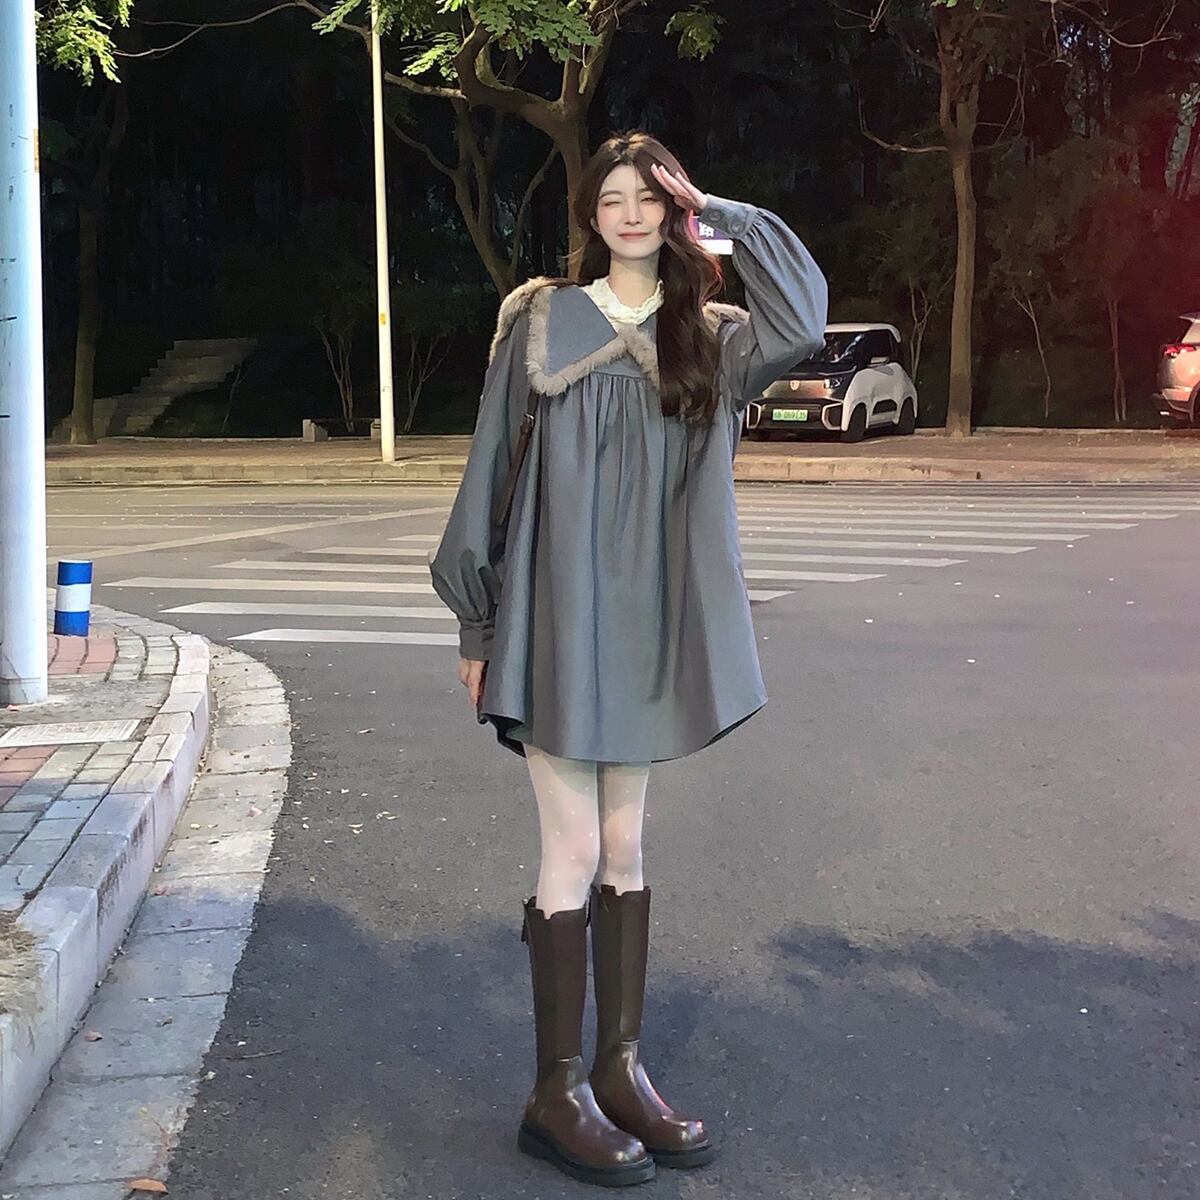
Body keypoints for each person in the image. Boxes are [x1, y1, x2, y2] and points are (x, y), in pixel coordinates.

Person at [429, 130, 827, 1187]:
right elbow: (488, 473)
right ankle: (554, 1092)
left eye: (650, 197)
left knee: (624, 845)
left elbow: (805, 316)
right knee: (569, 847)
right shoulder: (540, 323)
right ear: (589, 216)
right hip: (556, 621)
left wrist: (725, 216)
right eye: (612, 198)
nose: (631, 214)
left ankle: (618, 1070)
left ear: (673, 210)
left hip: (650, 621)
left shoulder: (714, 336)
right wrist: (476, 624)